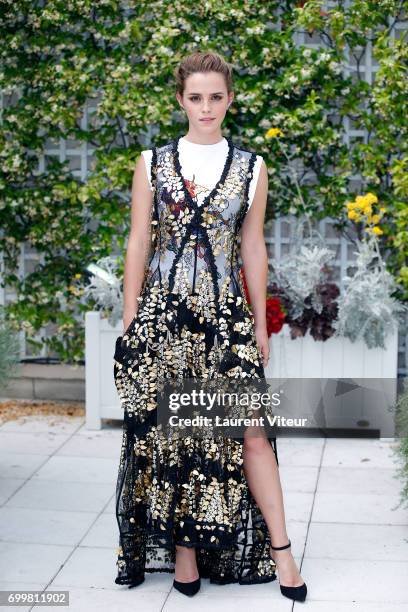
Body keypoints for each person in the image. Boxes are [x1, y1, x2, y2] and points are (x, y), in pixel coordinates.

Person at [113, 51, 307, 602]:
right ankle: (184, 556)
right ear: (181, 100)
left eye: (215, 97)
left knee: (250, 434)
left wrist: (261, 322)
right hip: (164, 317)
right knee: (175, 435)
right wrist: (131, 317)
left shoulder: (252, 167)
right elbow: (138, 241)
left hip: (226, 319)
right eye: (195, 97)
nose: (206, 107)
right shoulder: (153, 162)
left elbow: (252, 245)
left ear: (230, 100)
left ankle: (283, 553)